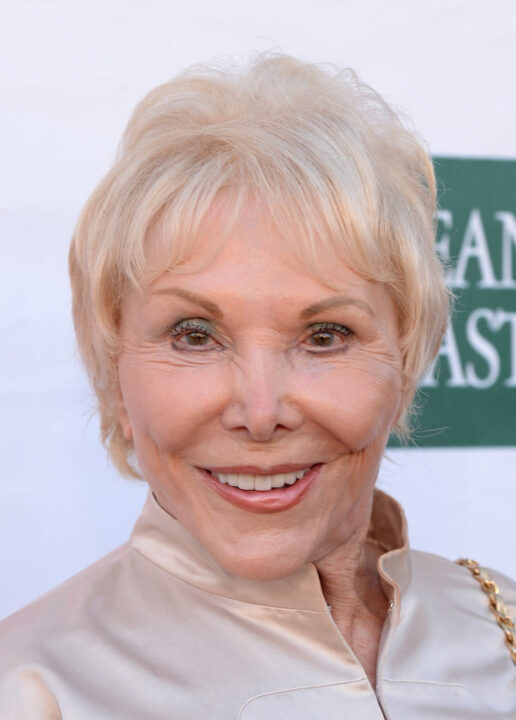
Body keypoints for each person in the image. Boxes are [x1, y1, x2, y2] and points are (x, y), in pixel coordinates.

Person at [0, 53, 514, 719]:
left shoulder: (500, 631)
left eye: (326, 335)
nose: (261, 411)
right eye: (193, 335)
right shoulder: (31, 688)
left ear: (406, 361)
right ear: (113, 381)